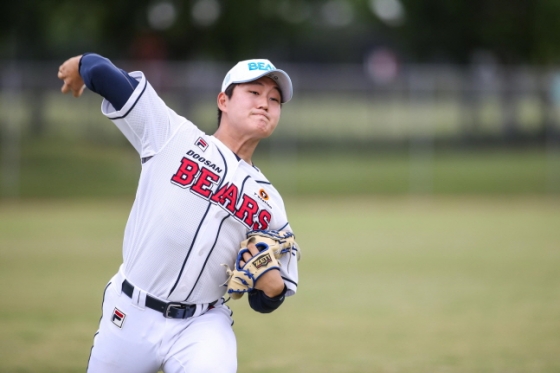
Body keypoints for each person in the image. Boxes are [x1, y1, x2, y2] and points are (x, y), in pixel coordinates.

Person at [57, 53, 300, 373]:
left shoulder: (269, 203)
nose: (265, 103)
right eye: (253, 93)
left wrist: (271, 287)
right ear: (223, 100)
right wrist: (79, 66)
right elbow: (102, 72)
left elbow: (267, 298)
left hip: (202, 325)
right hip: (131, 312)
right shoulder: (173, 135)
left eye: (274, 98)